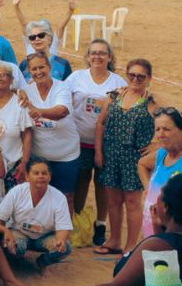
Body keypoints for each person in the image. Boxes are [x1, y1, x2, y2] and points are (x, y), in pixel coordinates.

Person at [25, 170, 182, 286]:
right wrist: (159, 225)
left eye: (159, 197)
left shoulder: (157, 245)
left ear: (166, 207)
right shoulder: (165, 242)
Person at [65, 38, 126, 246]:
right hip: (80, 139)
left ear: (109, 57)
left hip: (106, 142)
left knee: (102, 183)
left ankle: (100, 223)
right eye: (93, 53)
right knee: (81, 180)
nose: (97, 56)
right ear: (87, 56)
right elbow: (63, 100)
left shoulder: (118, 82)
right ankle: (81, 221)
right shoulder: (76, 77)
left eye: (102, 53)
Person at [95, 58, 157, 254]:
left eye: (141, 76)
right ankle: (114, 241)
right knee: (113, 201)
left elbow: (173, 124)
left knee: (132, 202)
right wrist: (98, 151)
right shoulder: (114, 96)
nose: (136, 79)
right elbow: (101, 123)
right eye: (132, 75)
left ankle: (130, 246)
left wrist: (157, 143)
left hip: (134, 159)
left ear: (149, 78)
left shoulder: (151, 102)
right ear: (127, 75)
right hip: (111, 155)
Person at [0, 157, 73, 275]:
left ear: (50, 177)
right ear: (27, 176)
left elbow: (63, 228)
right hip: (19, 233)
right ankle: (16, 261)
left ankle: (42, 263)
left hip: (45, 236)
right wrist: (4, 232)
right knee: (10, 246)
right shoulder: (16, 192)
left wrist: (60, 240)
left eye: (44, 173)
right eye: (36, 173)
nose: (40, 176)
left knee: (65, 247)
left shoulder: (59, 197)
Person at [19, 52, 79, 195]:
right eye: (34, 69)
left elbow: (62, 112)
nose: (38, 72)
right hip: (39, 157)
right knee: (38, 194)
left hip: (66, 155)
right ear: (29, 71)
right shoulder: (26, 91)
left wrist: (40, 112)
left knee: (67, 197)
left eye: (42, 67)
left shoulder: (62, 87)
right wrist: (18, 91)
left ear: (49, 67)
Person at [140, 107, 182, 238]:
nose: (160, 134)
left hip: (173, 234)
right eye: (157, 129)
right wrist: (148, 188)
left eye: (166, 129)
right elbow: (142, 164)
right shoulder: (163, 153)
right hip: (152, 227)